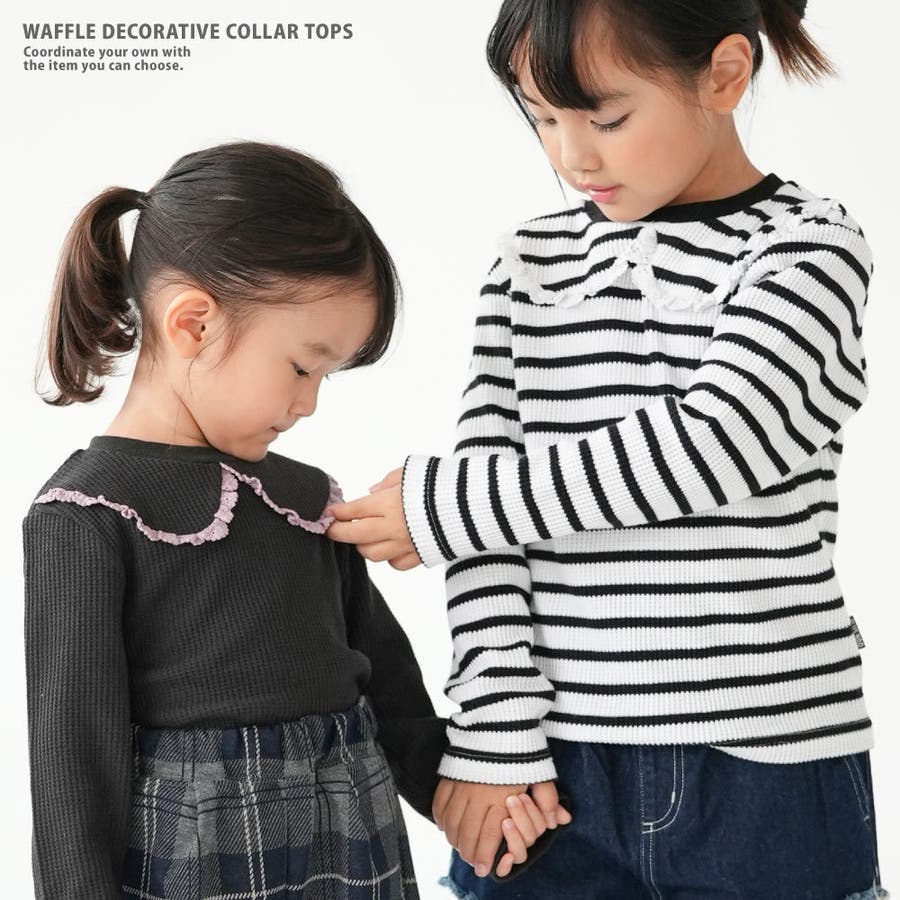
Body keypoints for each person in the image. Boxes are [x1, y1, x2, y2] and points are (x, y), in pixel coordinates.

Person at [325, 2, 888, 897]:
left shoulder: (806, 248)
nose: (571, 157)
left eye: (607, 118)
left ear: (725, 74)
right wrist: (496, 733)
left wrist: (445, 507)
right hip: (551, 773)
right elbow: (490, 534)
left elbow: (717, 441)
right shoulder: (529, 266)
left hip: (764, 768)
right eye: (543, 119)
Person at [22, 141, 554, 900]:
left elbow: (386, 681)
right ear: (193, 324)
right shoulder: (86, 515)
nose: (308, 403)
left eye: (325, 376)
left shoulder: (304, 498)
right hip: (200, 863)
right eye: (303, 367)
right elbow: (73, 767)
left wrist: (461, 796)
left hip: (354, 838)